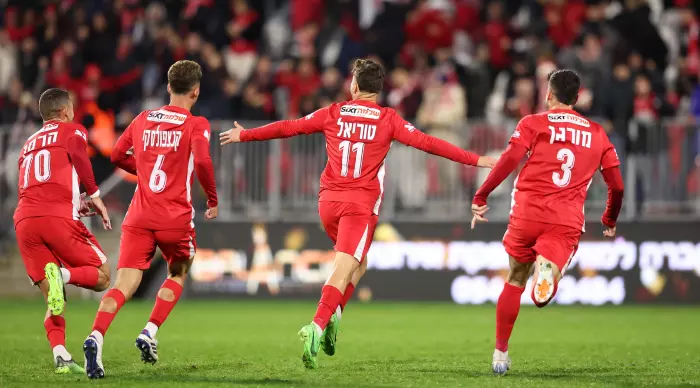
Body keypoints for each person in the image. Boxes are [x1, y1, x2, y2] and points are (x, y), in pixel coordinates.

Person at [220, 58, 496, 369]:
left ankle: (334, 316)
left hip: (327, 204)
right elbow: (429, 143)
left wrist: (246, 135)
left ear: (354, 85)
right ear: (378, 90)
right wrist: (475, 160)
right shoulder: (388, 119)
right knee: (342, 269)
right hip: (358, 207)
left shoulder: (334, 112)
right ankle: (317, 326)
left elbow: (290, 127)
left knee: (358, 263)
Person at [470, 69, 624, 376]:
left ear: (548, 94)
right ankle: (547, 272)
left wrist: (482, 194)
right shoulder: (596, 133)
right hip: (563, 218)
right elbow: (616, 186)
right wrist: (609, 218)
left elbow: (509, 159)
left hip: (526, 211)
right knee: (545, 281)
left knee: (514, 278)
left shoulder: (532, 123)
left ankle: (500, 354)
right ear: (577, 98)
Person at [82, 60, 219, 379]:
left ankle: (96, 336)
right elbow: (202, 161)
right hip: (175, 217)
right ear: (195, 92)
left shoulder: (144, 118)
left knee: (124, 284)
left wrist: (142, 171)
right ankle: (149, 331)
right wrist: (212, 198)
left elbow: (116, 156)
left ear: (169, 87)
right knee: (178, 272)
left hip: (139, 216)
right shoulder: (196, 124)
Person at [14, 88, 112, 374]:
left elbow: (38, 189)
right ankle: (64, 274)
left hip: (25, 222)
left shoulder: (27, 144)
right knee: (104, 275)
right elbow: (80, 157)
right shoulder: (72, 130)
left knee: (55, 298)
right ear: (66, 111)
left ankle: (60, 355)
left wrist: (76, 205)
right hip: (56, 218)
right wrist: (94, 195)